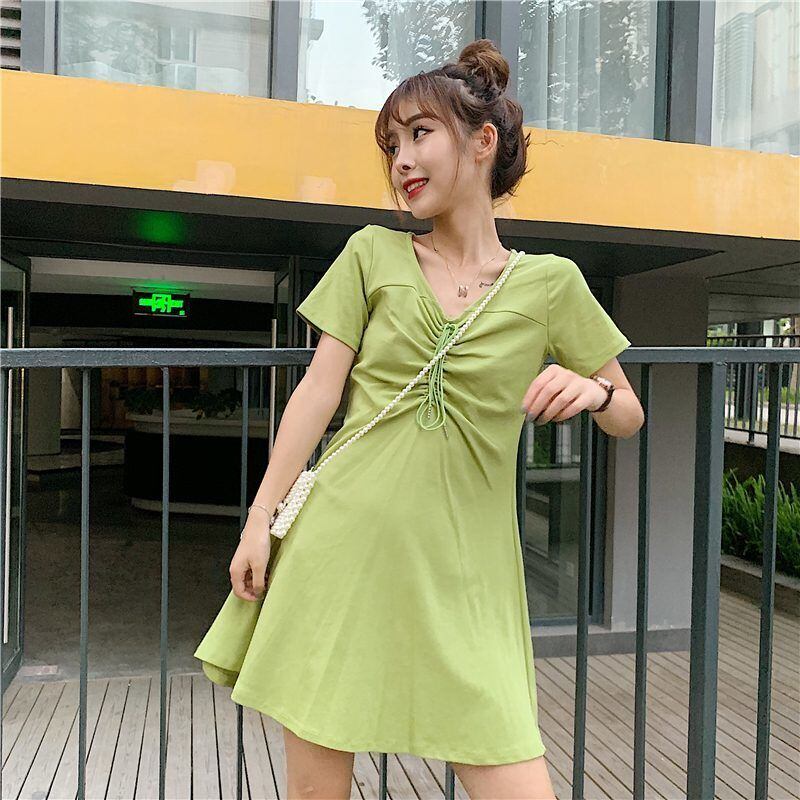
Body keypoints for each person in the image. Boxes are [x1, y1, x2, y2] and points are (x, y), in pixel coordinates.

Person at [194, 38, 644, 800]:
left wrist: (593, 391)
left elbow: (628, 411)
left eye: (419, 134)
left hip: (466, 575)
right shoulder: (371, 254)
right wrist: (258, 522)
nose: (401, 159)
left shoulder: (551, 284)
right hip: (339, 550)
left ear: (482, 141)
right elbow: (317, 393)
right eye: (391, 144)